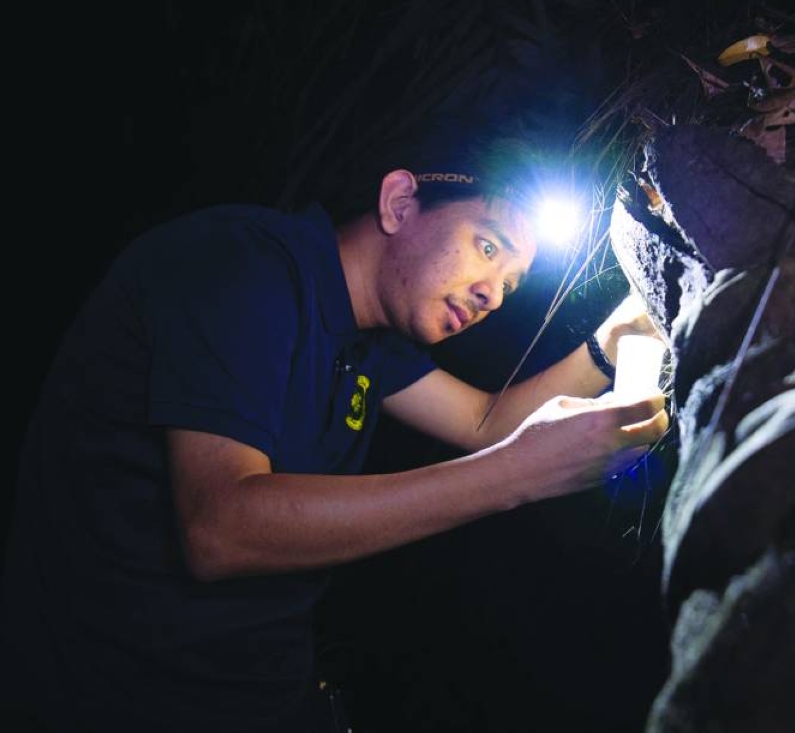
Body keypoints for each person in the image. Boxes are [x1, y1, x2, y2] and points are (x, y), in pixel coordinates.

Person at [1, 137, 668, 732]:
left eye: (510, 283)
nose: (494, 293)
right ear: (400, 202)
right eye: (487, 246)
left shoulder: (369, 339)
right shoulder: (241, 268)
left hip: (265, 693)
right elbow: (220, 527)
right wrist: (514, 476)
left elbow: (484, 421)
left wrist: (621, 332)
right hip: (117, 698)